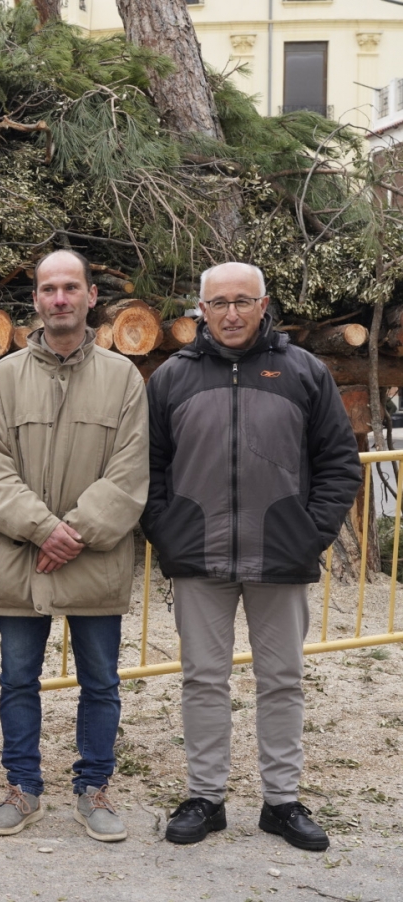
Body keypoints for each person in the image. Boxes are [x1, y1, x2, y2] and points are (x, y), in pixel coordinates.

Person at [144, 262, 360, 852]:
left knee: (283, 681)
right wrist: (167, 532)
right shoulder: (171, 379)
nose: (232, 313)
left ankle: (282, 803)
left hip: (281, 555)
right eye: (219, 303)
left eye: (244, 301)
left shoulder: (304, 372)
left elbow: (340, 463)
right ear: (201, 311)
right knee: (203, 681)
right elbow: (149, 468)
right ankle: (205, 798)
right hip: (198, 556)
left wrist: (309, 533)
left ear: (265, 305)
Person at [0, 249, 149, 842]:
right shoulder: (2, 378)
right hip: (22, 562)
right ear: (37, 299)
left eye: (72, 287)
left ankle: (93, 789)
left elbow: (130, 475)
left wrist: (74, 534)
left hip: (96, 563)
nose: (60, 298)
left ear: (92, 297)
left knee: (101, 682)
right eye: (49, 288)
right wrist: (47, 531)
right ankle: (23, 788)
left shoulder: (124, 378)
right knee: (17, 680)